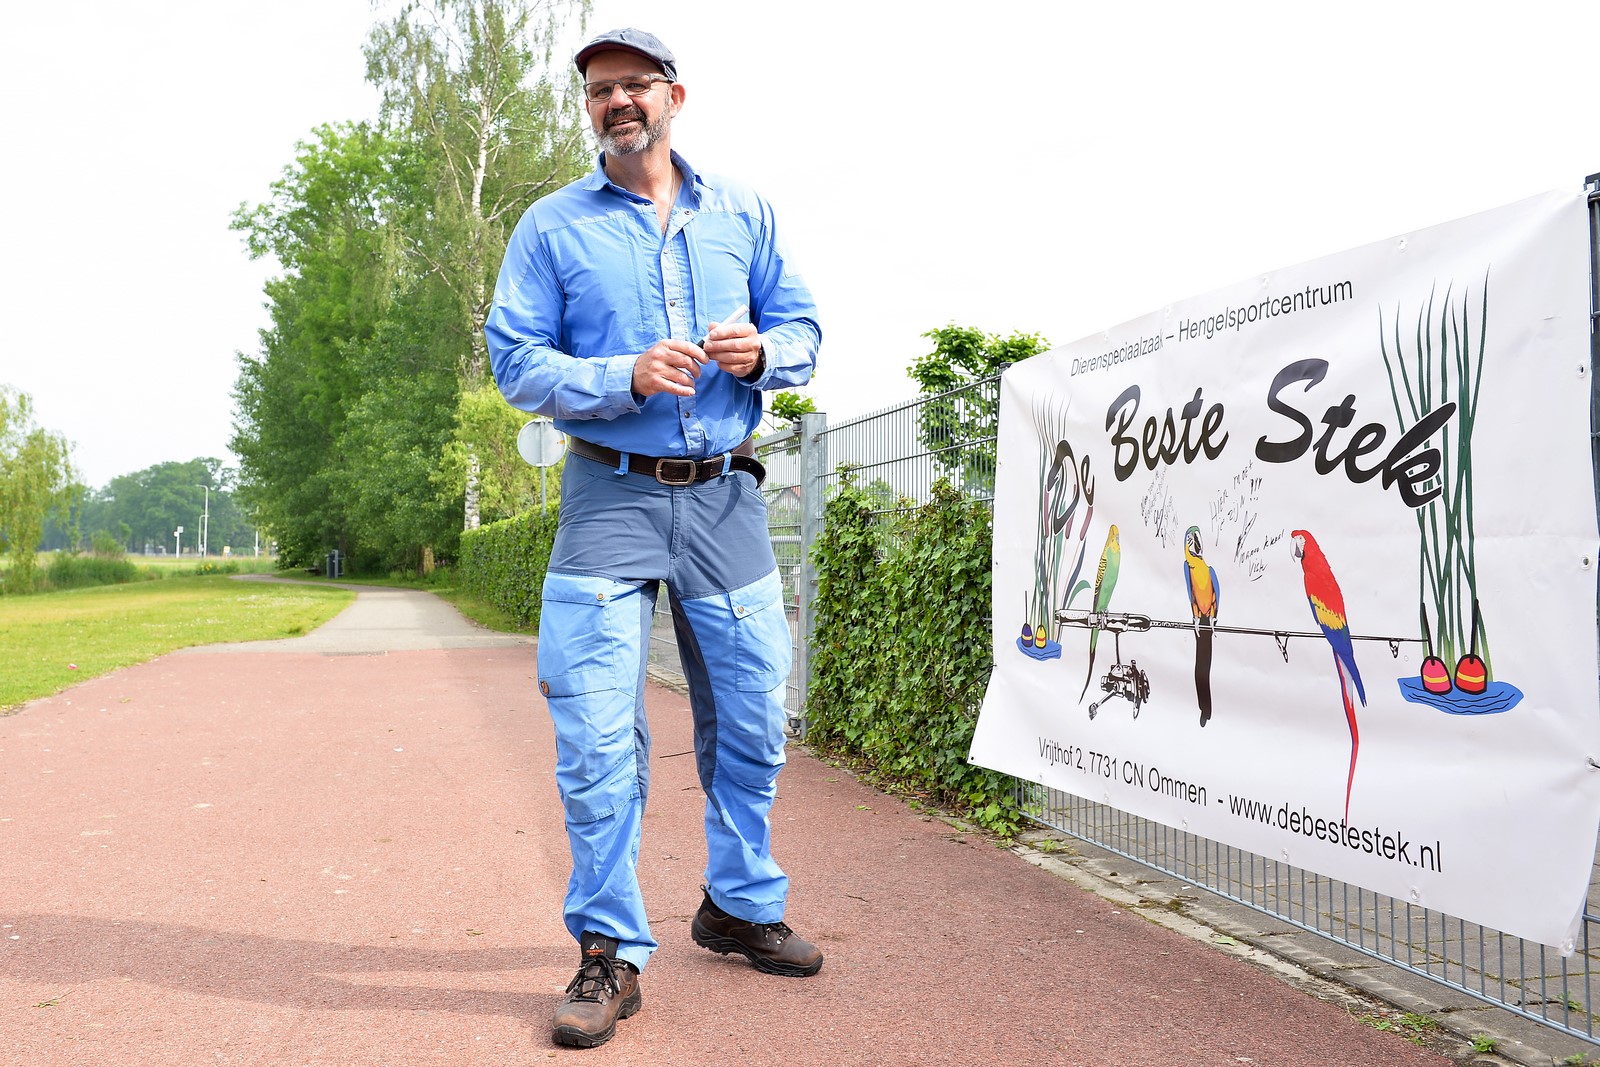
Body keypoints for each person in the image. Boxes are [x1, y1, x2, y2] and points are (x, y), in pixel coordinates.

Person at [484, 27, 824, 1050]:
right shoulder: (551, 226)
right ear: (589, 107)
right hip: (609, 498)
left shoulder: (744, 212)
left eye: (635, 83)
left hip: (725, 500)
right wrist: (619, 375)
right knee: (596, 737)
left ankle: (738, 904)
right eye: (600, 89)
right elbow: (514, 360)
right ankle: (610, 952)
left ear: (676, 95)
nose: (618, 101)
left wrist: (763, 353)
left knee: (754, 716)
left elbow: (803, 330)